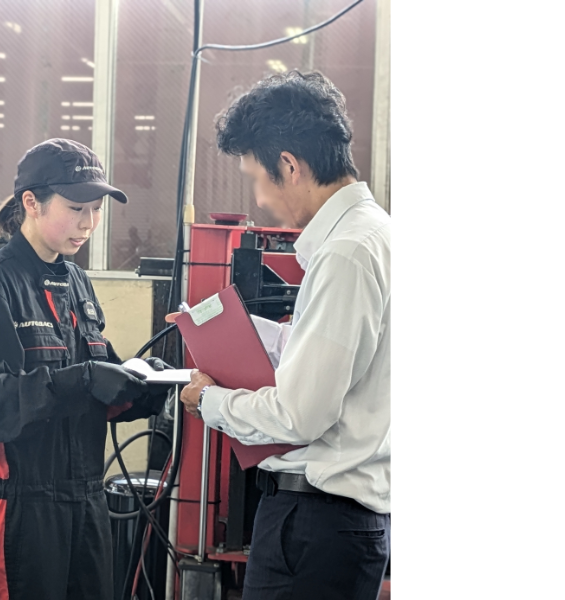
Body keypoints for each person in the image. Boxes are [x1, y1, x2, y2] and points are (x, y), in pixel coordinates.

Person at [179, 71, 391, 599]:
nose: (260, 198)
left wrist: (210, 402)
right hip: (337, 525)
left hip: (313, 527)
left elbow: (301, 415)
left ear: (291, 166)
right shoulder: (378, 235)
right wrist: (262, 335)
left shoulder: (346, 254)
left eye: (257, 178)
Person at [0, 139, 170, 600]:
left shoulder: (77, 282)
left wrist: (146, 383)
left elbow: (99, 386)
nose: (88, 223)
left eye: (96, 210)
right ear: (31, 202)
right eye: (76, 209)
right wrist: (80, 380)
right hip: (22, 511)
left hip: (87, 504)